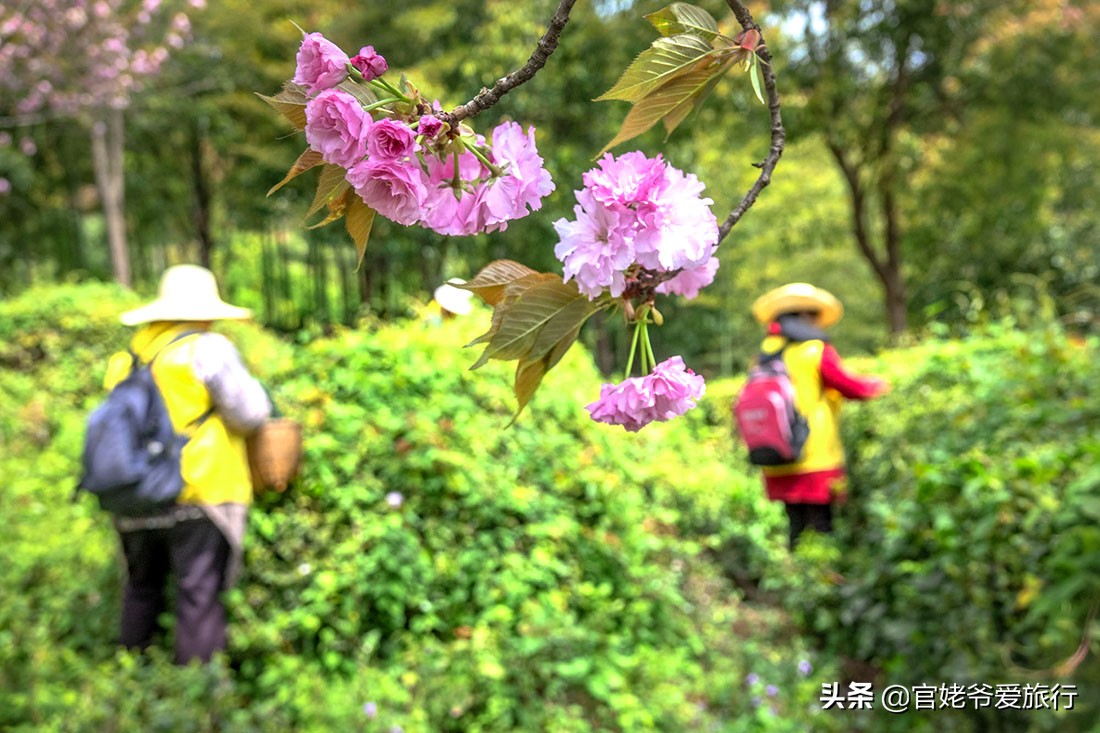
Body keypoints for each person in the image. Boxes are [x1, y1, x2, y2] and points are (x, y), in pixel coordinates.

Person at [103, 264, 271, 664]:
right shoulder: (206, 348)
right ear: (203, 310)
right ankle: (200, 704)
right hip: (200, 490)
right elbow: (250, 414)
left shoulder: (125, 361)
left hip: (135, 495)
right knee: (199, 594)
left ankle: (129, 686)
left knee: (141, 588)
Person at [749, 283, 889, 549]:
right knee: (822, 526)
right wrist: (880, 387)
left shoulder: (764, 355)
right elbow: (850, 387)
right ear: (806, 317)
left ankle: (798, 578)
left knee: (796, 527)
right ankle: (822, 582)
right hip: (814, 453)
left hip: (777, 452)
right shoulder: (814, 350)